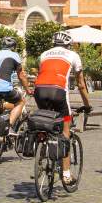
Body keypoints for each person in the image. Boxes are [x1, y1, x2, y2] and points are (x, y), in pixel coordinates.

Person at [35, 32, 92, 185]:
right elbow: (81, 84)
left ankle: (41, 157)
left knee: (46, 122)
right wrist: (87, 105)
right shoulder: (73, 55)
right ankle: (66, 174)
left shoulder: (43, 55)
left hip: (39, 91)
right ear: (68, 44)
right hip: (58, 92)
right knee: (65, 132)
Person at [0, 34, 30, 133]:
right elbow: (21, 75)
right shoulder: (15, 55)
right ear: (14, 47)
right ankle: (8, 127)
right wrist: (28, 89)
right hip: (3, 87)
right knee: (20, 102)